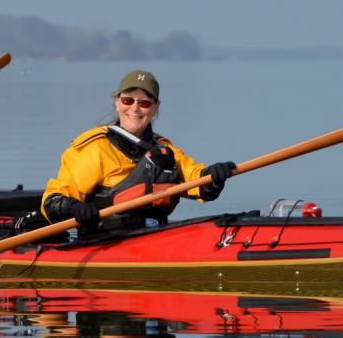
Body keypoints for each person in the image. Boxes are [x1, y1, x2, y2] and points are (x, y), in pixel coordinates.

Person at [41, 69, 236, 231]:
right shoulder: (94, 147)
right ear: (117, 102)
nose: (135, 108)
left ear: (155, 108)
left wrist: (213, 175)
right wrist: (74, 207)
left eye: (144, 103)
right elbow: (52, 201)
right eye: (128, 100)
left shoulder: (165, 150)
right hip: (104, 240)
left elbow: (199, 183)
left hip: (153, 236)